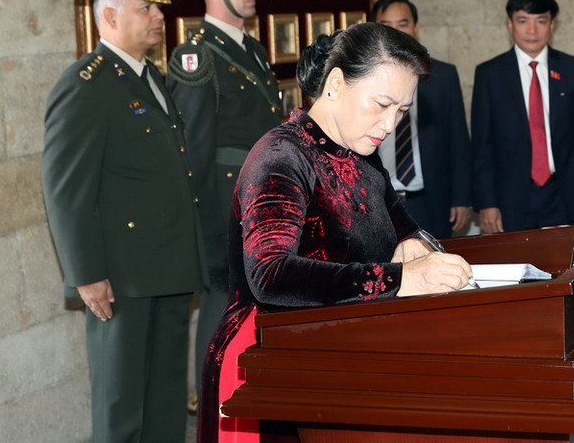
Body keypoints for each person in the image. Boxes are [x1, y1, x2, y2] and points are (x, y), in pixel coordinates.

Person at [197, 22, 473, 443]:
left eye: (401, 111)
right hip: (268, 360)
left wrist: (412, 242)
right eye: (381, 104)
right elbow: (270, 275)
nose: (389, 124)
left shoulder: (357, 147)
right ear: (337, 83)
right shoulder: (281, 157)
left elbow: (397, 217)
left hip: (333, 352)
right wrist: (400, 279)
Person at [42, 0, 204, 443]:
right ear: (109, 16)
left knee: (165, 398)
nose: (160, 17)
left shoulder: (149, 76)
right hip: (123, 276)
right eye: (146, 8)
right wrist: (87, 274)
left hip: (168, 266)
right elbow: (65, 187)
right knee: (122, 405)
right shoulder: (85, 84)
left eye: (159, 7)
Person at [166, 0, 283, 411]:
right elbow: (192, 150)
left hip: (260, 200)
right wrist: (205, 231)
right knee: (221, 312)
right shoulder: (196, 57)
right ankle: (214, 405)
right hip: (224, 208)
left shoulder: (250, 48)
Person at [471, 0, 574, 234]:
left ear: (552, 25)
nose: (532, 31)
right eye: (523, 21)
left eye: (540, 21)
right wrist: (487, 203)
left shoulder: (573, 69)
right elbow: (482, 146)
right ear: (511, 25)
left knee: (568, 269)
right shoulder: (490, 74)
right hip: (511, 198)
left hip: (566, 194)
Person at [371, 0, 472, 238]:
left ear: (416, 28)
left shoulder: (443, 76)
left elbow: (458, 140)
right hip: (380, 201)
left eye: (402, 24)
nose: (396, 32)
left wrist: (462, 198)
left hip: (431, 201)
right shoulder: (366, 79)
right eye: (386, 26)